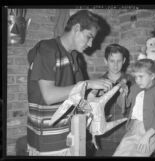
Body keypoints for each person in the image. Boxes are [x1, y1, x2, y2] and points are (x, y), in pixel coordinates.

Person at [26, 10, 113, 156]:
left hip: (69, 135)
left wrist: (94, 98)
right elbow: (49, 96)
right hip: (47, 141)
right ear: (77, 28)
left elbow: (78, 96)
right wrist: (88, 84)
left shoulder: (75, 58)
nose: (91, 44)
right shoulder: (47, 49)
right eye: (89, 37)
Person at [113, 59, 155, 157]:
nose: (137, 80)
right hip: (134, 128)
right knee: (120, 153)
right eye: (135, 77)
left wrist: (147, 136)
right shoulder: (136, 87)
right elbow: (124, 104)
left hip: (150, 132)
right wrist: (123, 95)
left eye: (141, 76)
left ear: (152, 76)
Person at [95, 44, 135, 156]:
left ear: (124, 61)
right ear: (105, 61)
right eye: (112, 61)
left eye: (119, 61)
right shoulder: (97, 83)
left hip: (126, 137)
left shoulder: (132, 81)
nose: (115, 65)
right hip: (104, 138)